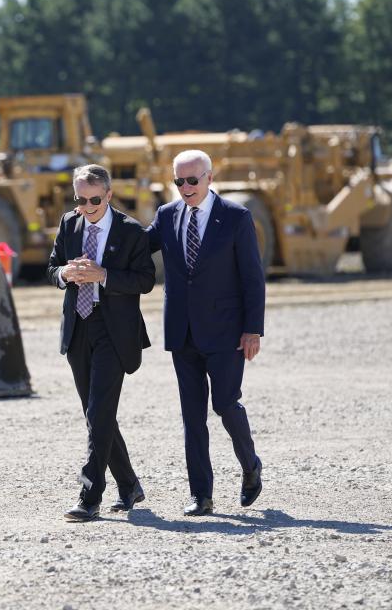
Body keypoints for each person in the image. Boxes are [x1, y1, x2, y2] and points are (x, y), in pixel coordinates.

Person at [147, 150, 265, 515]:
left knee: (225, 404)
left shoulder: (236, 217)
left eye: (192, 180)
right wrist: (95, 220)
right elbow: (136, 247)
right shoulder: (166, 216)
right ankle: (201, 495)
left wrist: (252, 330)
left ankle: (250, 466)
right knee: (192, 415)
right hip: (182, 333)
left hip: (227, 332)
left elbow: (252, 277)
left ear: (209, 178)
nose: (185, 187)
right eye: (178, 181)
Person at [47, 164, 156, 522]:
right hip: (78, 327)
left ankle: (89, 494)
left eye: (95, 199)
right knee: (97, 415)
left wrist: (103, 275)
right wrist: (66, 273)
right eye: (80, 199)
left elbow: (145, 280)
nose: (87, 206)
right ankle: (129, 485)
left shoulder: (130, 231)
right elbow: (52, 267)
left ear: (109, 195)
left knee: (98, 413)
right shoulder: (69, 223)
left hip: (115, 332)